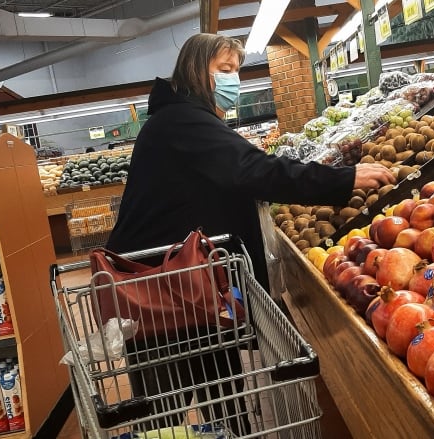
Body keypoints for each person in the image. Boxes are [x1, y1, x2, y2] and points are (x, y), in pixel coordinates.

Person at [104, 33, 395, 433]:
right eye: (225, 70)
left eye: (237, 70)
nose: (234, 80)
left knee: (219, 395)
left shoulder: (181, 120)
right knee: (168, 409)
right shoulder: (182, 122)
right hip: (162, 295)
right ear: (196, 69)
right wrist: (343, 179)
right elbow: (255, 171)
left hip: (191, 293)